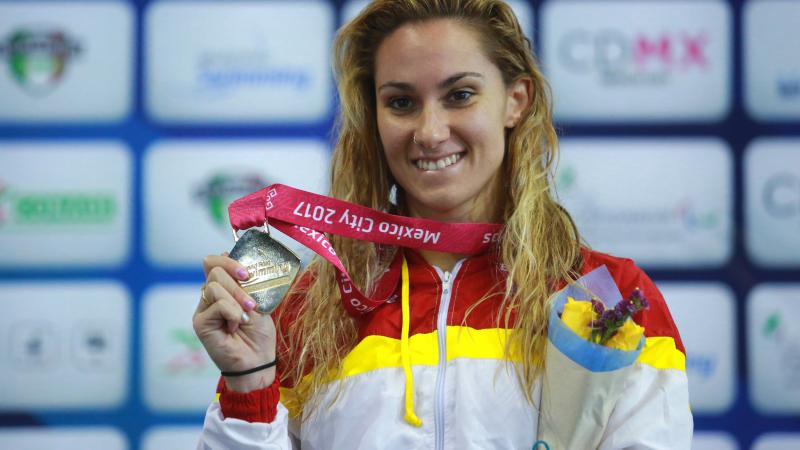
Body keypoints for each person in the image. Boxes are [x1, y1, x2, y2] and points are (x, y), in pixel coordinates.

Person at [193, 0, 693, 448]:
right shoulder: (309, 311)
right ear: (375, 116)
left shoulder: (608, 298)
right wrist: (249, 381)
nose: (430, 133)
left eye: (460, 95)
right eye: (402, 103)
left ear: (515, 100)